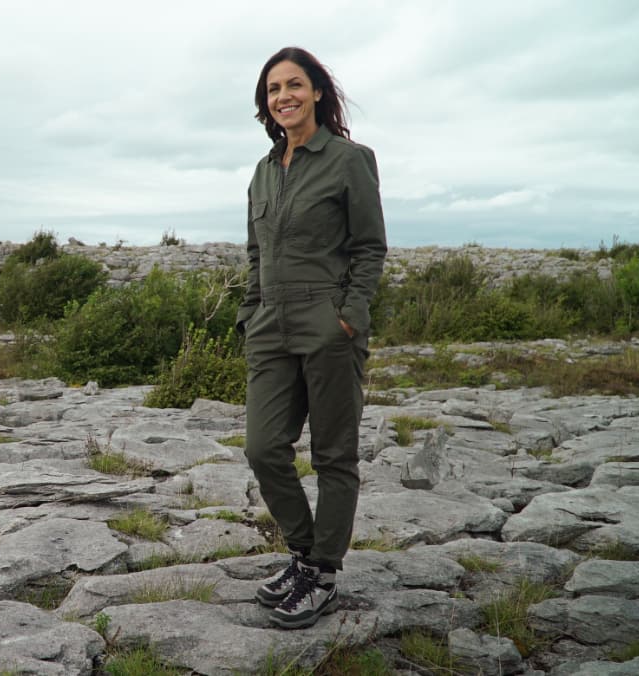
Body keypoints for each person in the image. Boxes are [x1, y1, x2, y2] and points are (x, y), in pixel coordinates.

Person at [236, 46, 386, 630]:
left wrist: (347, 315)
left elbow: (370, 247)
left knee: (332, 455)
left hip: (327, 323)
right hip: (270, 326)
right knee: (263, 447)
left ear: (317, 92)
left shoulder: (349, 160)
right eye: (273, 90)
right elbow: (255, 252)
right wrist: (251, 313)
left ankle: (322, 571)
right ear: (266, 104)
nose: (284, 97)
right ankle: (303, 551)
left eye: (294, 85)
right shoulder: (263, 170)